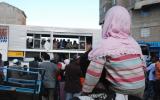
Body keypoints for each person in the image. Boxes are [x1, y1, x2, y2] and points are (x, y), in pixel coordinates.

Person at [82, 6, 146, 100]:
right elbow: (143, 67)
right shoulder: (134, 43)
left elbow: (93, 73)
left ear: (109, 22)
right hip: (140, 88)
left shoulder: (105, 45)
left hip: (121, 90)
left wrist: (86, 91)